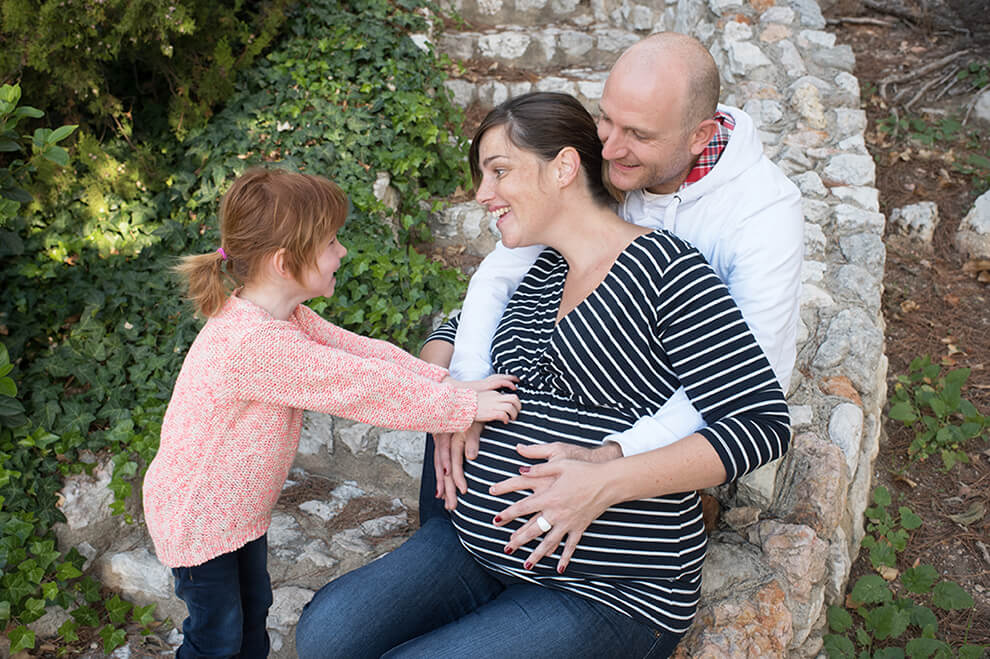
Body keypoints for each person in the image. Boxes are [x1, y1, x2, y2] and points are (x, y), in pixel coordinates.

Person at [295, 92, 791, 658]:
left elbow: (762, 422)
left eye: (499, 171)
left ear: (563, 167)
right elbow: (455, 328)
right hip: (475, 548)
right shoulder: (538, 262)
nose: (483, 195)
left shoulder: (668, 271)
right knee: (326, 636)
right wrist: (445, 397)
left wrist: (606, 479)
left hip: (606, 589)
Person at [420, 31, 803, 517]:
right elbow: (498, 280)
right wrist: (451, 391)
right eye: (606, 119)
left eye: (638, 135)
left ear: (699, 137)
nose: (609, 146)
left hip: (654, 461)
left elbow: (750, 387)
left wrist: (614, 460)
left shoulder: (761, 218)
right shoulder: (605, 162)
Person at [141, 168, 521, 658]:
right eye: (330, 241)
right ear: (284, 262)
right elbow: (360, 389)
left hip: (233, 516)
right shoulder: (253, 344)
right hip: (198, 519)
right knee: (217, 638)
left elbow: (364, 356)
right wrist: (460, 406)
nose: (341, 251)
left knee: (250, 616)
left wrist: (448, 384)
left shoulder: (281, 316)